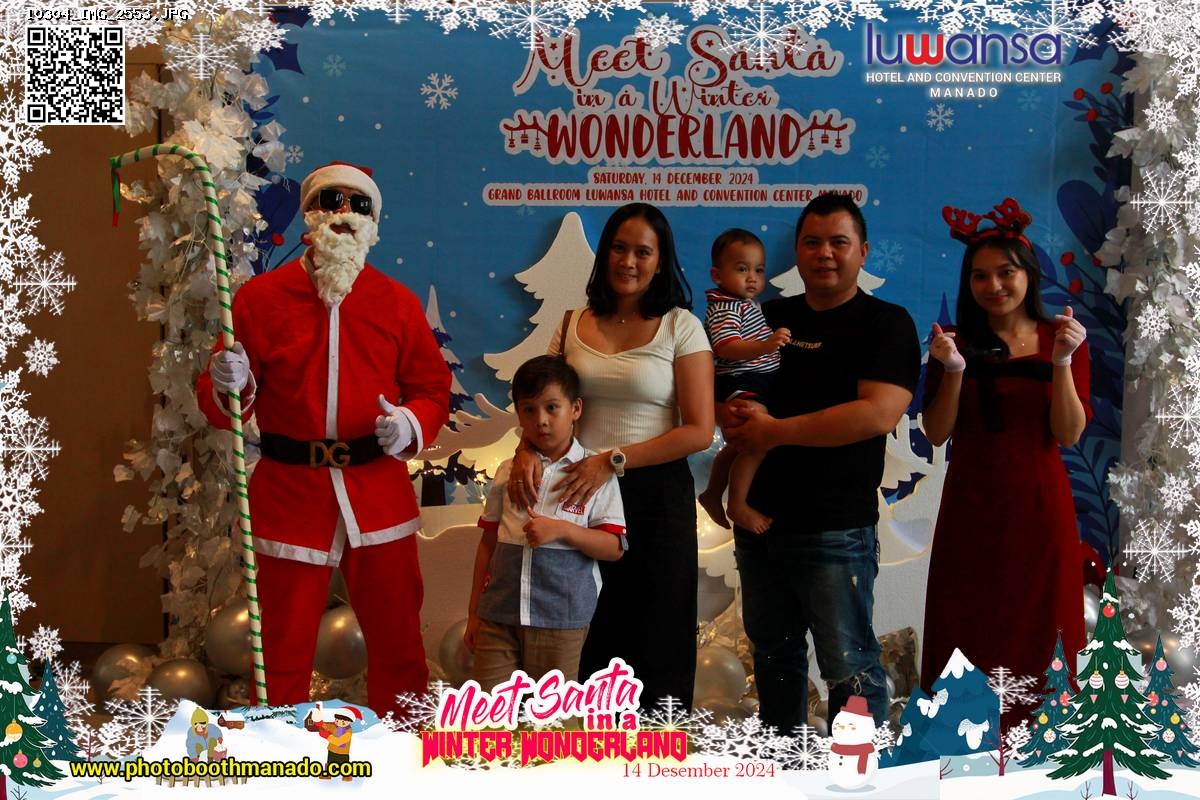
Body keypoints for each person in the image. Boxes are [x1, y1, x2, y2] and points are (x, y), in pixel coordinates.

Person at [196, 161, 451, 718]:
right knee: (279, 647)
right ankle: (275, 750)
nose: (344, 213)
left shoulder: (397, 302)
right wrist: (229, 382)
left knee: (397, 638)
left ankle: (401, 749)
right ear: (311, 213)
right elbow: (222, 407)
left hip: (376, 493)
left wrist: (409, 423)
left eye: (359, 204)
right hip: (290, 494)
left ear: (373, 221)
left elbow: (433, 388)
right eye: (331, 200)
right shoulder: (258, 299)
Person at [724, 194, 920, 732]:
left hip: (836, 528)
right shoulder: (767, 318)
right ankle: (782, 768)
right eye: (812, 242)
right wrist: (731, 410)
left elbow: (876, 414)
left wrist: (775, 431)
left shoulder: (886, 323)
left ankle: (853, 773)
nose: (825, 253)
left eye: (839, 242)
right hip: (761, 525)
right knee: (773, 659)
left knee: (849, 666)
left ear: (863, 252)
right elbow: (732, 388)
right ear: (797, 252)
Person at [508, 203, 714, 710]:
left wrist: (612, 461)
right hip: (578, 490)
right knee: (585, 628)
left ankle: (657, 747)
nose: (629, 261)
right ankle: (585, 745)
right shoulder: (571, 323)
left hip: (654, 494)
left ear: (661, 261)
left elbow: (698, 430)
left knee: (658, 629)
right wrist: (525, 449)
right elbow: (543, 402)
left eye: (643, 251)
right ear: (604, 255)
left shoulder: (681, 326)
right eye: (619, 248)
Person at [920, 198, 1088, 723]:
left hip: (1040, 504)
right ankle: (961, 738)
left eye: (1005, 273)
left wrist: (1061, 362)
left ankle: (1048, 740)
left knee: (1044, 623)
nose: (993, 285)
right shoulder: (952, 343)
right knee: (967, 620)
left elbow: (1068, 433)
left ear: (1028, 275)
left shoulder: (1063, 339)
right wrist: (952, 370)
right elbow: (937, 431)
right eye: (980, 276)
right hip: (971, 506)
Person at [464, 356, 626, 690]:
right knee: (489, 711)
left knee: (551, 717)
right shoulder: (508, 471)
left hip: (561, 620)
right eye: (529, 409)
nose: (541, 420)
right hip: (498, 615)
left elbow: (614, 548)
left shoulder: (594, 475)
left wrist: (563, 530)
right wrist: (474, 613)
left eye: (552, 408)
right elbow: (488, 544)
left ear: (575, 408)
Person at [697, 228, 791, 533]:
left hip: (757, 378)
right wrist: (766, 345)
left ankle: (712, 493)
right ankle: (736, 503)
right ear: (717, 275)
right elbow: (727, 347)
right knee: (757, 440)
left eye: (758, 270)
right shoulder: (725, 307)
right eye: (742, 269)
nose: (752, 278)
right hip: (742, 379)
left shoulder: (744, 303)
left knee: (740, 444)